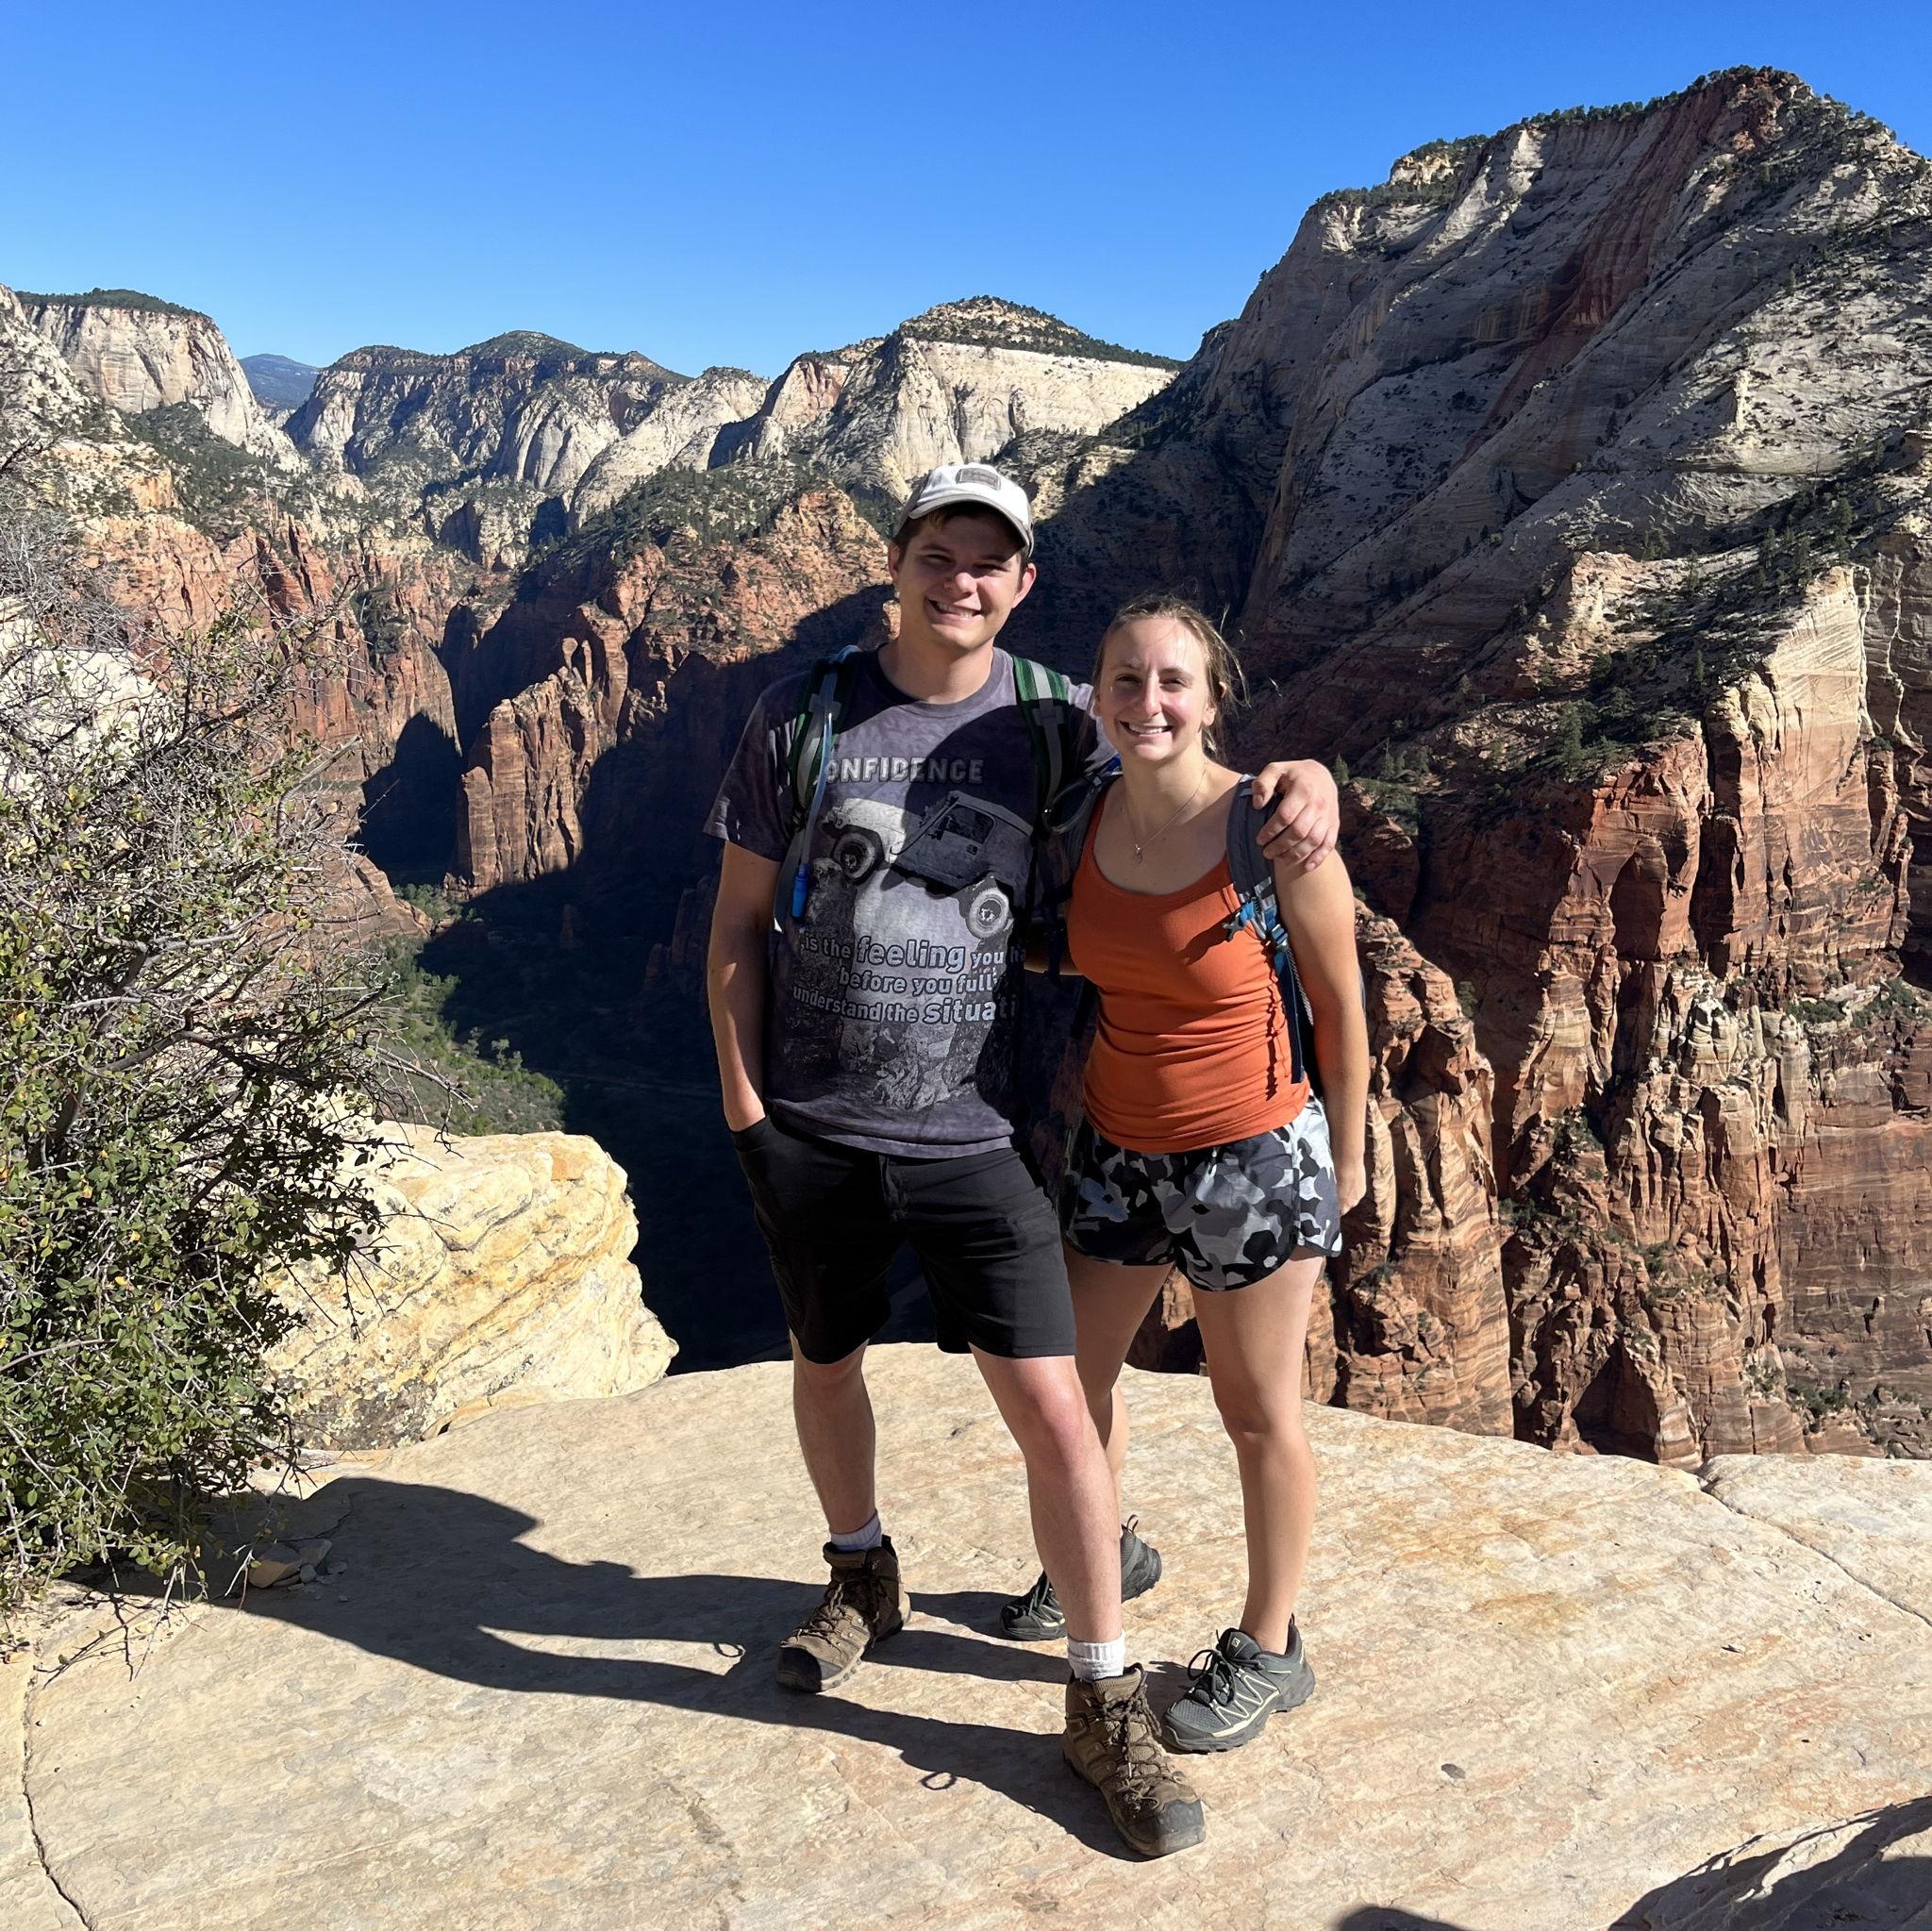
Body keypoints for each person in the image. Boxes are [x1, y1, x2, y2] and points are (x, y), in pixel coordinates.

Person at [704, 462, 1340, 1857]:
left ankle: (1101, 1690)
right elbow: (739, 926)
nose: (962, 579)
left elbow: (1188, 771)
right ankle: (862, 1574)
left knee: (1057, 1403)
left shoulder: (1062, 713)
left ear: (1022, 582)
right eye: (941, 551)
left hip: (988, 1132)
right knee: (828, 1358)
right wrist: (750, 1117)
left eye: (990, 560)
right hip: (816, 1120)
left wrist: (1309, 778)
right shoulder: (801, 711)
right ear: (901, 557)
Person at [999, 593, 1371, 1758]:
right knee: (1070, 1385)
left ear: (1211, 701)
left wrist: (1347, 1159)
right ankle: (1103, 1553)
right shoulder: (1087, 815)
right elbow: (1070, 943)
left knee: (1253, 1412)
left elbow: (1339, 1005)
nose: (1146, 701)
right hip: (1115, 1145)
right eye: (1123, 680)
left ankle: (1271, 1646)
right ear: (1095, 695)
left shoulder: (1266, 829)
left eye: (1171, 681)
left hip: (1252, 1154)